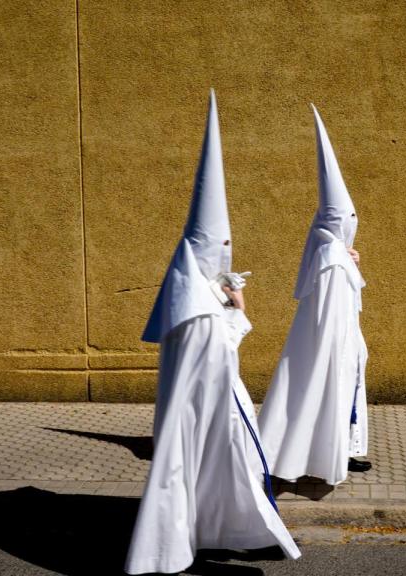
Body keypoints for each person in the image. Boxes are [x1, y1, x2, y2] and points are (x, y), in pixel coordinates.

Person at [124, 90, 300, 575]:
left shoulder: (193, 293)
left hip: (210, 404)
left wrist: (231, 307)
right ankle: (172, 553)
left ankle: (230, 533)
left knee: (225, 471)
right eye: (220, 251)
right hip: (208, 406)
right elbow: (220, 355)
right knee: (202, 471)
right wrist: (238, 313)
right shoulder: (196, 305)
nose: (225, 260)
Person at [258, 104, 370, 486]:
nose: (352, 228)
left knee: (335, 397)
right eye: (347, 222)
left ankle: (343, 450)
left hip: (343, 343)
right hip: (330, 345)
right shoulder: (331, 257)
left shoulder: (336, 254)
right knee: (317, 397)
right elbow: (332, 310)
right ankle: (315, 458)